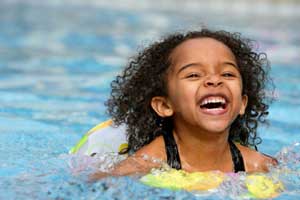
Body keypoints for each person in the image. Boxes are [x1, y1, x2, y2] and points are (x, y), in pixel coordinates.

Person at [92, 28, 277, 179]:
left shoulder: (260, 166)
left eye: (227, 74)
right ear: (164, 105)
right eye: (194, 75)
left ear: (242, 104)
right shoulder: (144, 166)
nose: (214, 80)